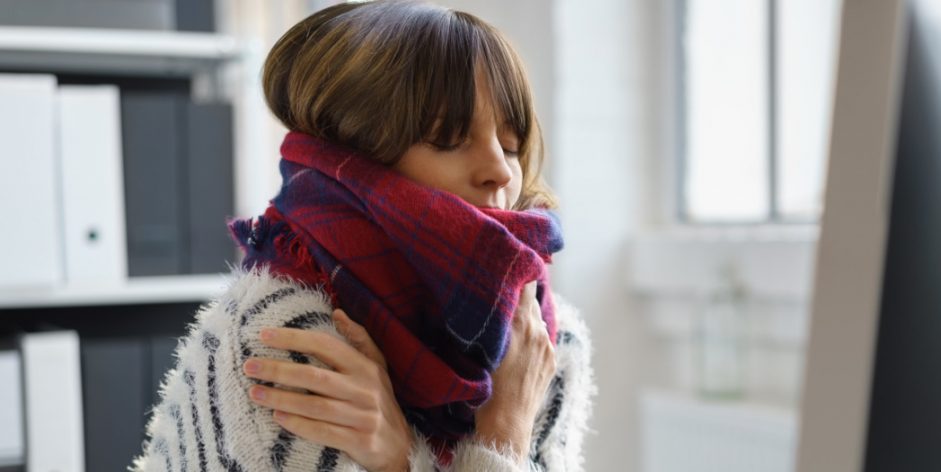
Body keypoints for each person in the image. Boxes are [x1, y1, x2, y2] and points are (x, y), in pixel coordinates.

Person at [131, 1, 595, 471]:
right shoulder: (284, 336)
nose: (500, 170)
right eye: (448, 140)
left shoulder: (543, 343)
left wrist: (408, 457)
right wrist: (501, 438)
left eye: (512, 146)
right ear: (355, 163)